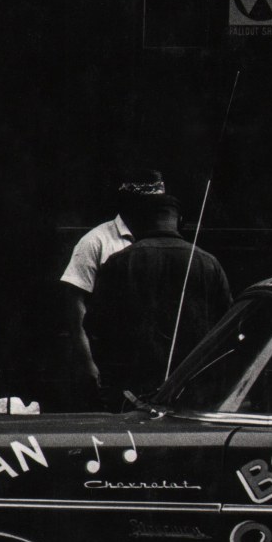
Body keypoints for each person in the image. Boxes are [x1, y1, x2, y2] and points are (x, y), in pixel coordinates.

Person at [88, 185, 232, 406]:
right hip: (194, 392)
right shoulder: (208, 263)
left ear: (139, 222)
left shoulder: (119, 262)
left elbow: (95, 327)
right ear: (179, 221)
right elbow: (227, 327)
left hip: (131, 391)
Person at [60, 173, 167, 406]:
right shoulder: (95, 241)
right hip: (110, 361)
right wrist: (87, 362)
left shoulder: (162, 240)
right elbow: (75, 305)